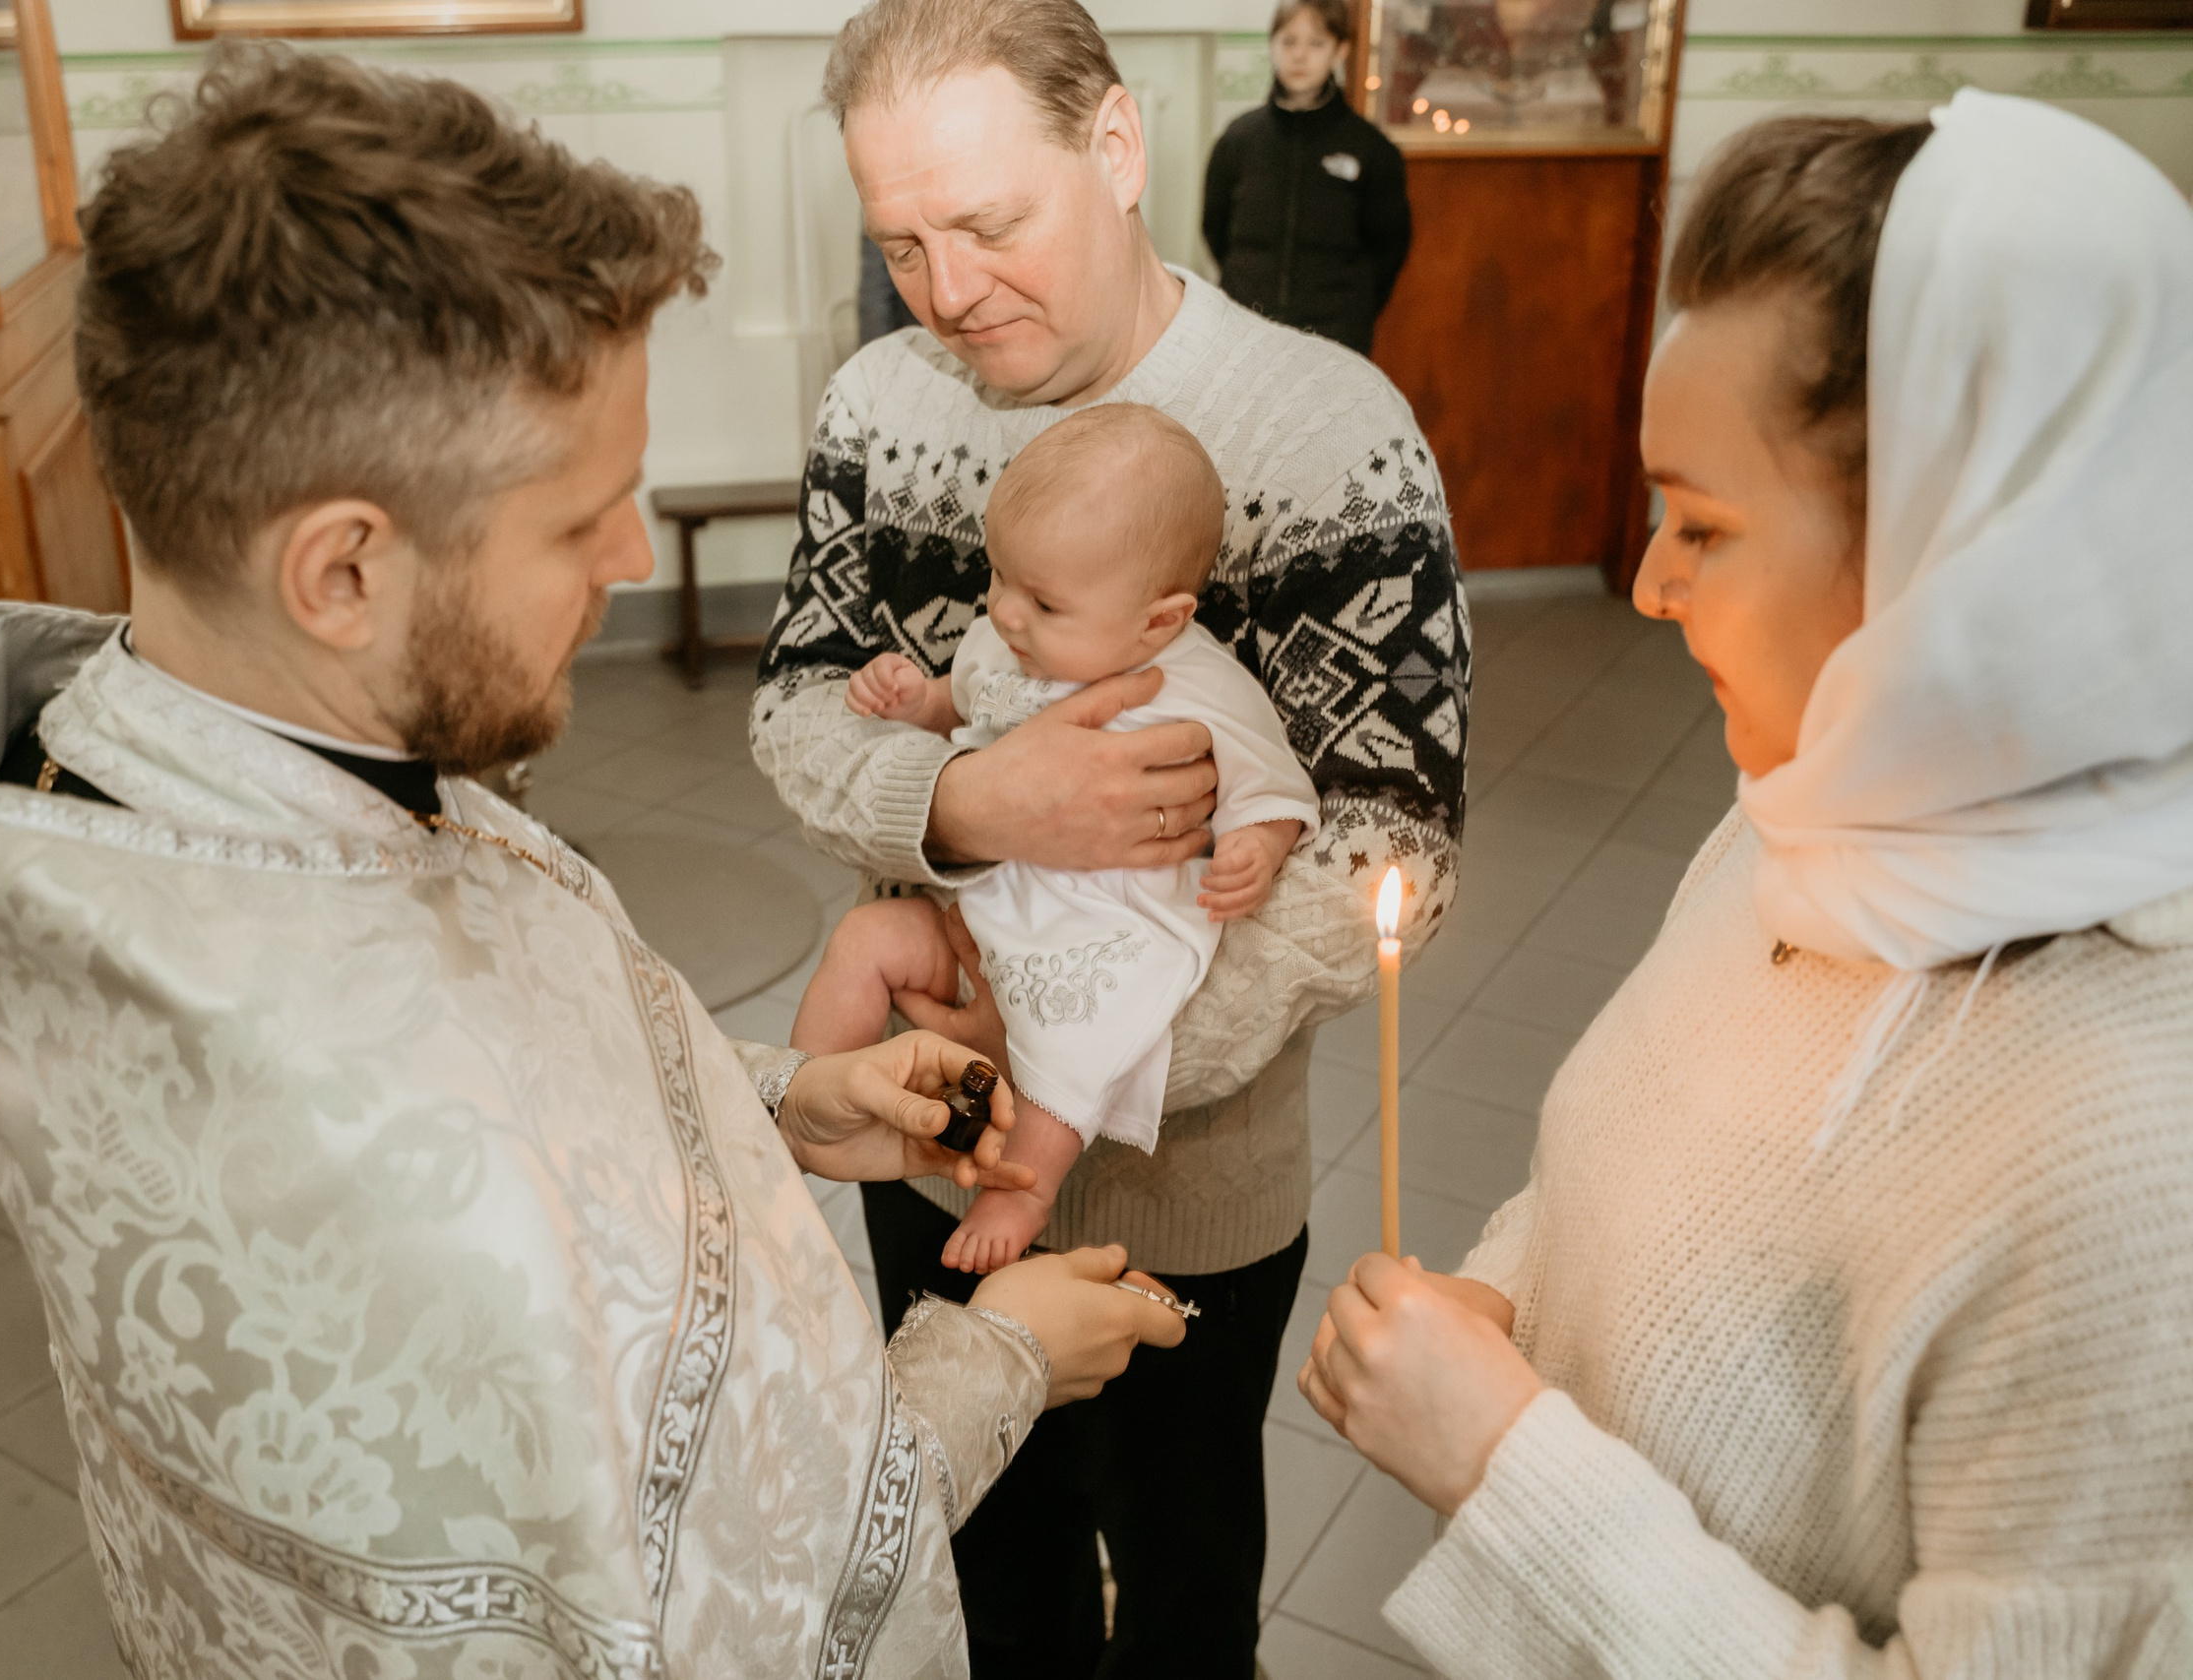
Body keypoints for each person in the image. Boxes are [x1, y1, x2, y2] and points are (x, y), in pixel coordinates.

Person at [0, 47, 1189, 1678]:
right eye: (576, 516)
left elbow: (515, 1073)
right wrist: (1001, 1356)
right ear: (341, 569)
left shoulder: (171, 767)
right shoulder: (390, 1161)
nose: (629, 553)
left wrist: (772, 1100)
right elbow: (726, 1615)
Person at [1298, 93, 2193, 1677]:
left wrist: (1506, 1466)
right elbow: (1649, 1179)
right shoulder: (1815, 818)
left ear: (1961, 562)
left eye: (1702, 523)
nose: (1647, 582)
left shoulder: (2129, 1152)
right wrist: (1496, 1304)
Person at [750, 2, 1469, 1671]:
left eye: (992, 226)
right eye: (902, 243)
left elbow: (1390, 837)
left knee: (1188, 1577)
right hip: (936, 1138)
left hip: (1191, 1181)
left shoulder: (1324, 431)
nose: (948, 289)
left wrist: (1073, 1055)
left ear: (1120, 148)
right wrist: (958, 802)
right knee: (992, 1579)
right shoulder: (876, 402)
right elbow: (795, 707)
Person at [791, 405, 1319, 1275]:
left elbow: (1276, 784)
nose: (1003, 612)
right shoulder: (1007, 640)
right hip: (979, 897)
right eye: (999, 577)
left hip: (1101, 924)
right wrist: (912, 698)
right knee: (866, 939)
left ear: (1159, 621)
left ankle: (1024, 1186)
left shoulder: (1204, 686)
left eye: (1040, 599)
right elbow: (955, 699)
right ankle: (805, 1089)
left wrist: (1256, 846)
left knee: (1068, 1046)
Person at [1202, 0, 1410, 357]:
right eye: (1289, 41)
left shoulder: (1371, 149)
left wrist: (1350, 310)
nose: (1300, 56)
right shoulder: (1238, 139)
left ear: (1340, 51)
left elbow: (1389, 245)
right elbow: (1214, 228)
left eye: (1316, 43)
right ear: (1272, 46)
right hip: (1247, 331)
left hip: (1335, 338)